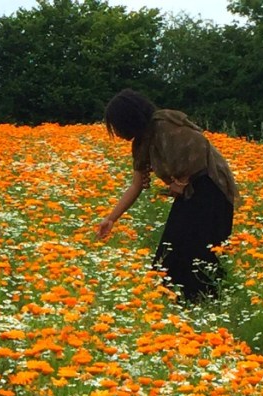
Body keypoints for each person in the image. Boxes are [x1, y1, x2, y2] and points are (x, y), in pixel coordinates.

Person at [96, 89, 240, 302]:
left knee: (199, 251)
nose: (116, 133)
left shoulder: (165, 124)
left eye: (116, 126)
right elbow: (136, 185)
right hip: (191, 193)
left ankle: (207, 304)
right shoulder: (142, 141)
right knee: (171, 255)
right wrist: (110, 219)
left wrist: (181, 182)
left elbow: (200, 147)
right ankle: (189, 304)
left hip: (211, 189)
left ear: (129, 118)